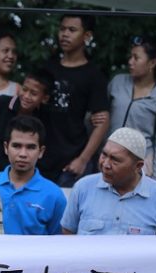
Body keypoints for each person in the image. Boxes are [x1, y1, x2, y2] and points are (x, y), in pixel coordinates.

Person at [61, 127, 156, 235]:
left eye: (115, 160)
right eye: (104, 155)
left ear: (138, 166)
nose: (105, 164)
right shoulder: (83, 188)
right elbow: (68, 232)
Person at [41, 14, 110, 187]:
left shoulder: (94, 75)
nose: (65, 34)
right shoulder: (48, 67)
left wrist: (82, 159)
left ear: (87, 36)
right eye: (62, 29)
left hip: (72, 160)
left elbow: (102, 121)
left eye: (72, 30)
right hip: (41, 157)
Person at [108, 36, 156, 180]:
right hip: (107, 161)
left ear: (152, 63)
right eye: (130, 57)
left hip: (138, 168)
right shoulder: (117, 82)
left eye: (136, 58)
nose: (130, 62)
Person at [0, 116, 65, 235]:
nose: (23, 154)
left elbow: (60, 243)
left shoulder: (54, 195)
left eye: (31, 147)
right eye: (16, 146)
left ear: (41, 151)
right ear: (6, 148)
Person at [0, 70, 52, 178]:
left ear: (44, 98)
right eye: (24, 89)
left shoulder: (41, 118)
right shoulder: (2, 103)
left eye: (33, 93)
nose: (26, 96)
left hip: (17, 177)